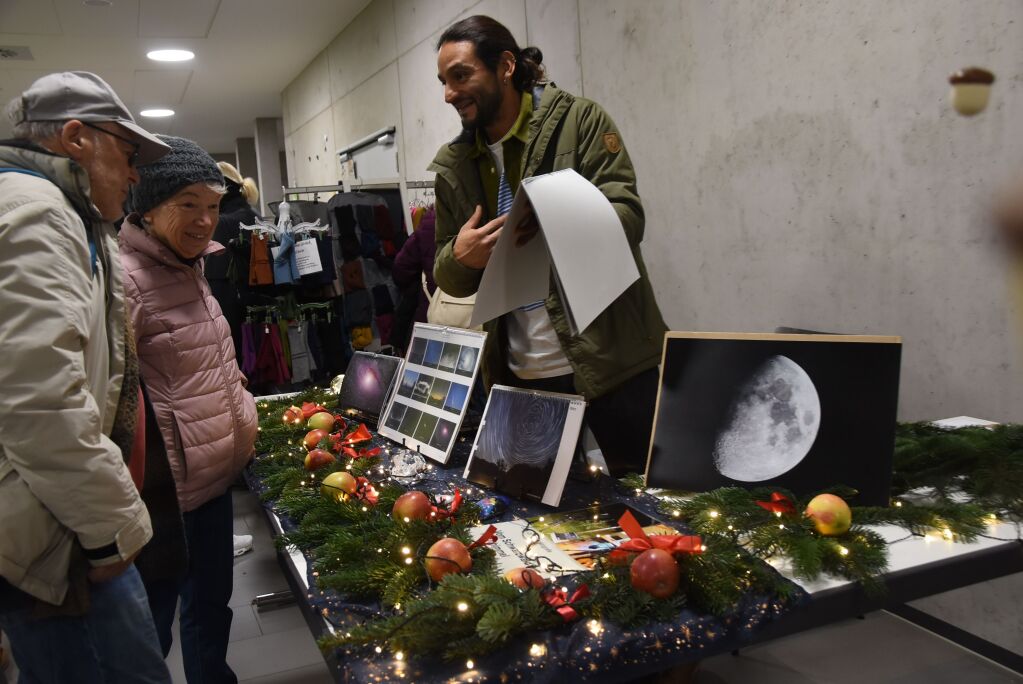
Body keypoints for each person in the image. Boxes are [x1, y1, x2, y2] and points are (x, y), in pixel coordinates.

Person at [431, 16, 668, 475]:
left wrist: (555, 219)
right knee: (532, 524)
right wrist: (460, 255)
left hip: (611, 361)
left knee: (650, 516)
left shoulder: (579, 121)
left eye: (460, 75)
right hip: (518, 374)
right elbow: (447, 273)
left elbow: (628, 219)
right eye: (443, 81)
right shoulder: (456, 165)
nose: (449, 94)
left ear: (504, 65)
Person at [0, 71, 172, 683]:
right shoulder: (39, 218)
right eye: (127, 155)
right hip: (56, 535)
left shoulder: (58, 214)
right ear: (76, 138)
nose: (133, 175)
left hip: (55, 517)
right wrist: (111, 532)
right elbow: (40, 405)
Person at [119, 135, 258, 683]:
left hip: (211, 481)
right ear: (148, 209)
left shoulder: (191, 267)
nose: (206, 221)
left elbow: (210, 364)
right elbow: (106, 398)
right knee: (152, 626)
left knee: (210, 611)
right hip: (162, 498)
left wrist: (240, 403)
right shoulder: (127, 281)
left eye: (214, 205)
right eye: (188, 205)